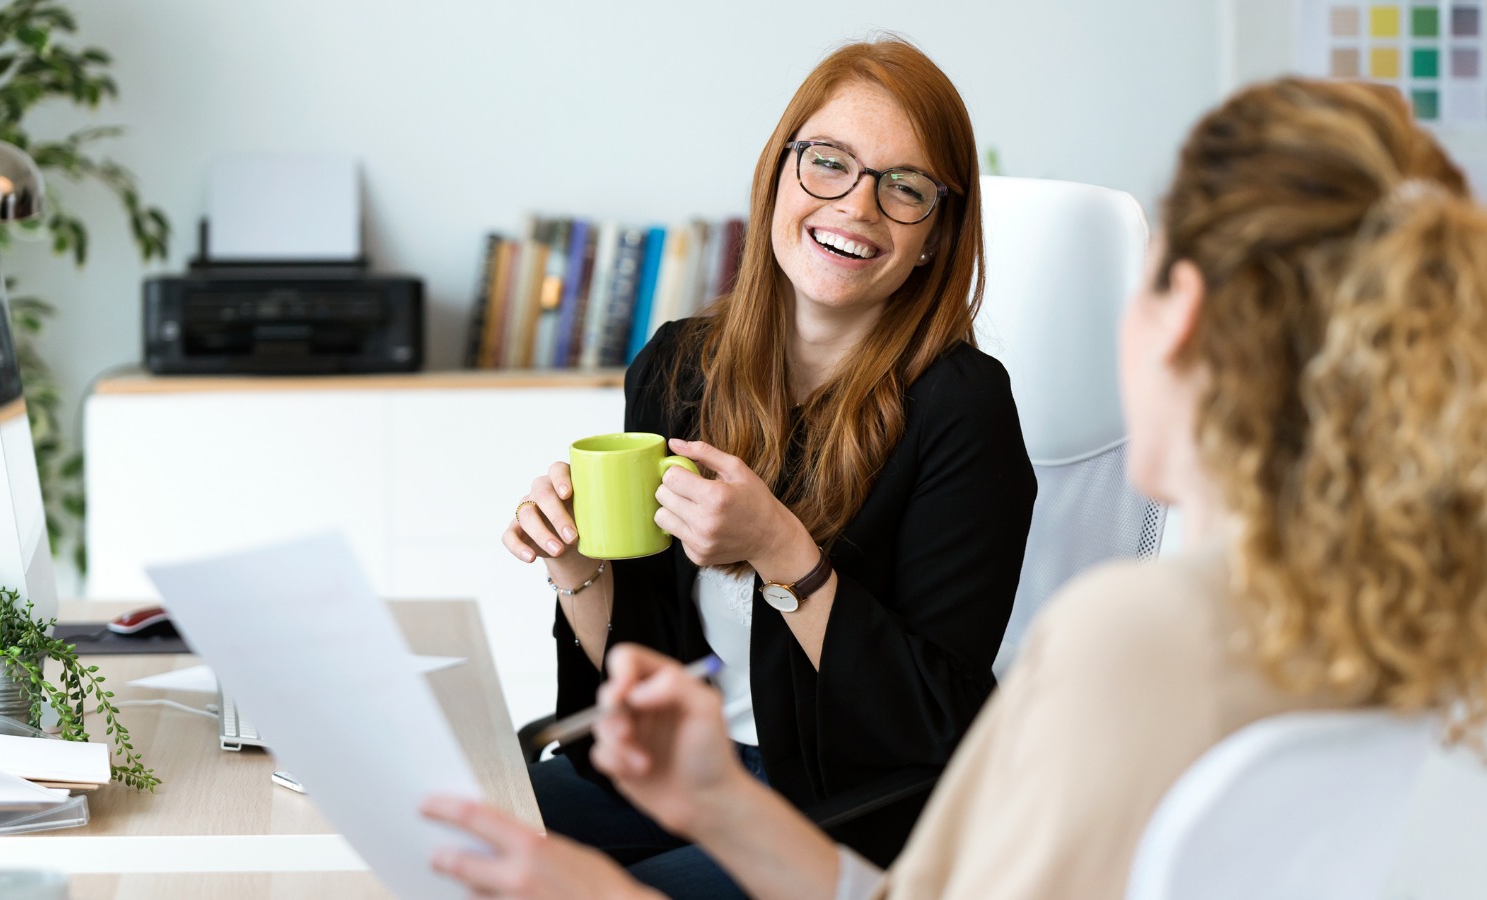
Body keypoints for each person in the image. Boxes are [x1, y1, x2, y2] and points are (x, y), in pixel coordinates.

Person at [423, 76, 1487, 899]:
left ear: (1184, 317)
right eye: (827, 164)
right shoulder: (1433, 642)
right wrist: (705, 785)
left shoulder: (1134, 632)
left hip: (853, 791)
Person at [494, 36, 1037, 897]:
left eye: (904, 187)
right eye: (829, 163)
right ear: (779, 175)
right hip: (678, 769)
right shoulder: (677, 369)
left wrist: (785, 554)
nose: (857, 207)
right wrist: (578, 567)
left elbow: (942, 723)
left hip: (844, 808)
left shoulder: (961, 408)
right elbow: (651, 670)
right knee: (452, 835)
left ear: (935, 234)